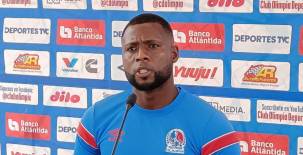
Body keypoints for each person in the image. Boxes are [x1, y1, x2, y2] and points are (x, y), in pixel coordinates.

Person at [74, 13, 241, 155]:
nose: (141, 56)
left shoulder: (212, 125)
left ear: (173, 54)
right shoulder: (96, 117)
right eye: (131, 49)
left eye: (152, 46)